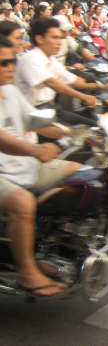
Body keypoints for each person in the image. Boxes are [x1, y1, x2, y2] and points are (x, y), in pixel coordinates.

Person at [0, 35, 82, 297]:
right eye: (4, 63)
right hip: (4, 170)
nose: (11, 67)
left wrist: (70, 131)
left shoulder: (10, 91)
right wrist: (35, 149)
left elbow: (34, 121)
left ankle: (54, 249)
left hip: (24, 165)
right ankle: (26, 271)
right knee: (23, 202)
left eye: (12, 61)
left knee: (80, 176)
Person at [15, 18, 108, 126]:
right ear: (40, 39)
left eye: (60, 38)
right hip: (35, 115)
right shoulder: (30, 59)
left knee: (94, 126)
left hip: (52, 109)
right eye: (54, 38)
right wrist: (84, 97)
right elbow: (53, 84)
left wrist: (101, 86)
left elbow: (74, 80)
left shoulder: (50, 59)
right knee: (81, 135)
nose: (59, 42)